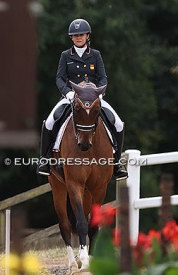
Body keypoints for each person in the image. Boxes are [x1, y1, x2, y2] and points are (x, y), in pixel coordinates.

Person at [38, 18, 128, 180]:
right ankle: (44, 160)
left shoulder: (95, 55)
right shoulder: (66, 55)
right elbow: (59, 78)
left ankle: (116, 163)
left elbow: (103, 78)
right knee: (50, 122)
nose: (78, 37)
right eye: (75, 35)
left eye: (81, 34)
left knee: (118, 124)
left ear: (88, 36)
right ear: (71, 38)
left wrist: (98, 93)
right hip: (72, 97)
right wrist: (69, 93)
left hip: (93, 97)